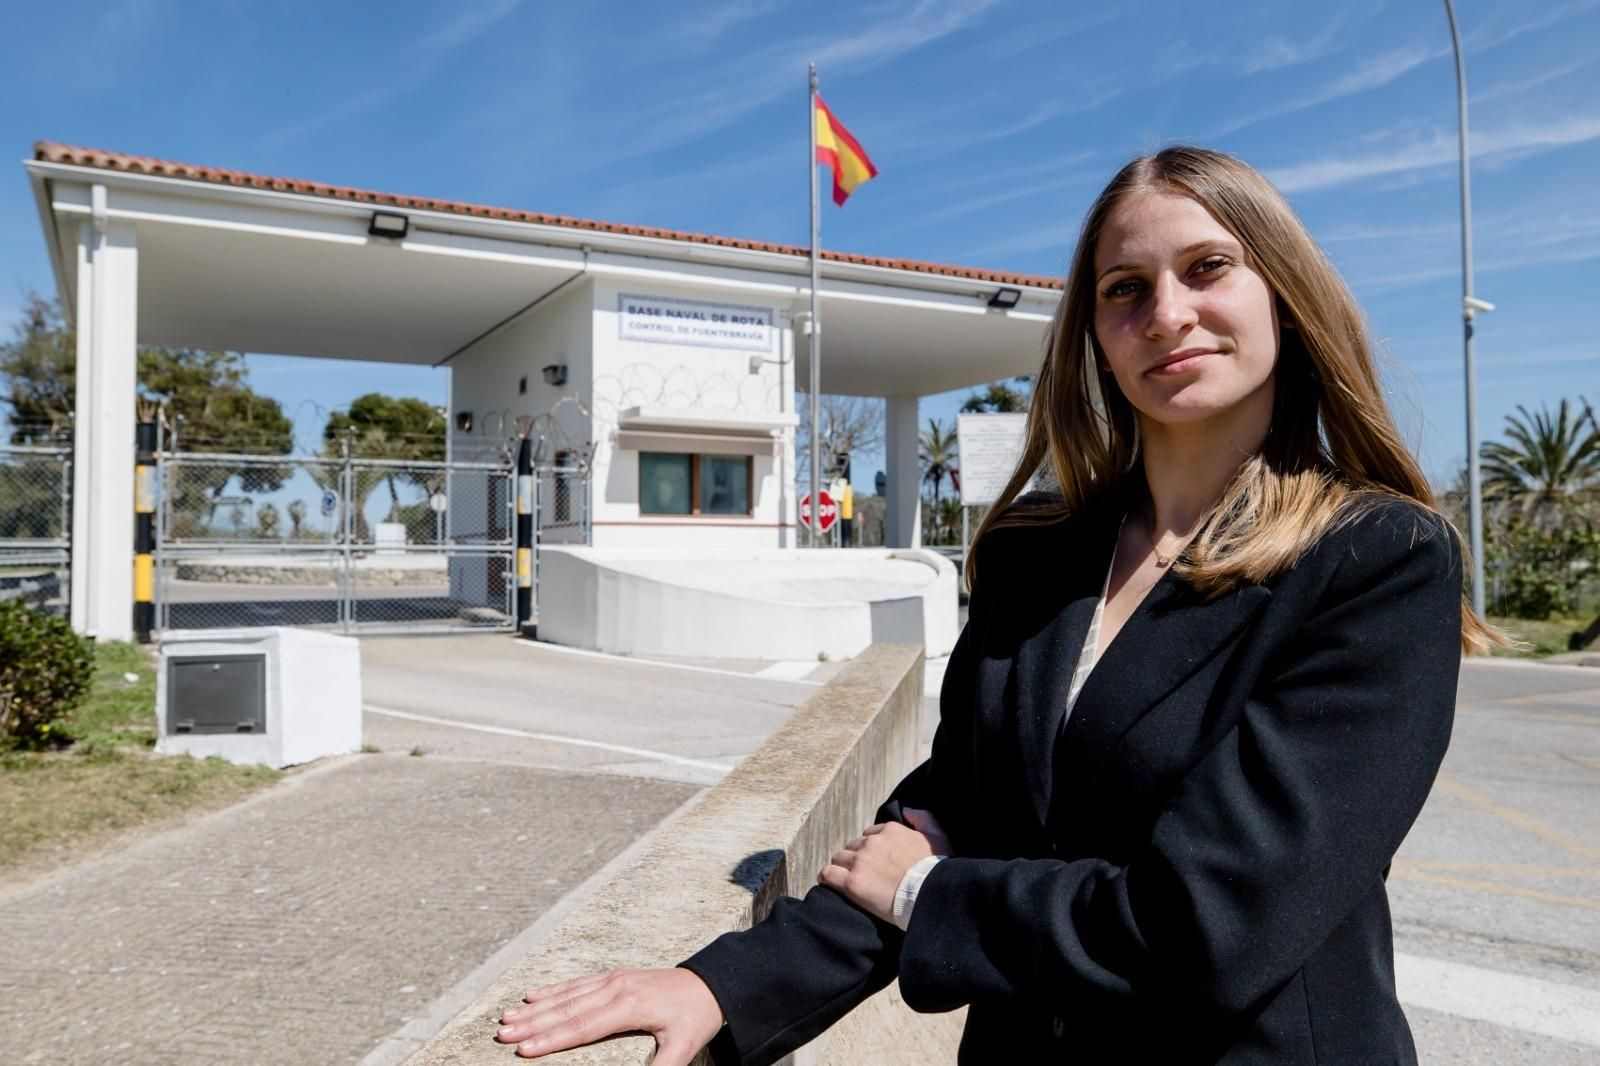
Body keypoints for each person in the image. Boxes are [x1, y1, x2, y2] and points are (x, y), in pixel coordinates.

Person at [491, 145, 1503, 1064]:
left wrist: (927, 894)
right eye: (1123, 288)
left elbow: (1211, 924)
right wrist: (724, 981)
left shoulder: (1377, 560)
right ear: (1094, 335)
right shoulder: (1037, 553)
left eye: (1206, 268)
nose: (1165, 312)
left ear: (1284, 291)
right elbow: (951, 811)